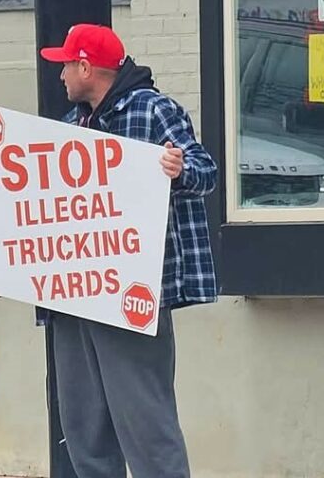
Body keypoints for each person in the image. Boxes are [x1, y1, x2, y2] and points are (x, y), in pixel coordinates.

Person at [37, 24, 218, 478]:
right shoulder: (68, 127)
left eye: (64, 64)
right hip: (74, 297)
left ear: (85, 66)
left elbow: (204, 170)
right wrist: (7, 266)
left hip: (130, 293)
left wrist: (178, 169)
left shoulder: (154, 111)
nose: (59, 75)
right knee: (83, 426)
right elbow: (43, 212)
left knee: (145, 422)